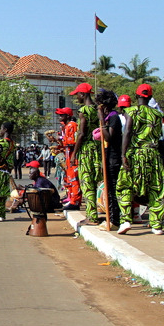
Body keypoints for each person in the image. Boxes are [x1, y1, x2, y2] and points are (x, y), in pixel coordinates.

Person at [117, 84, 164, 235]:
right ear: (150, 97)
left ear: (137, 96)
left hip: (135, 154)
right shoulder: (157, 115)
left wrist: (123, 155)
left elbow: (128, 132)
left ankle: (126, 220)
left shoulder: (131, 111)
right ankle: (156, 224)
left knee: (124, 186)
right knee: (156, 188)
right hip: (153, 154)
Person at [71, 82, 102, 224]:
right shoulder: (98, 109)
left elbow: (82, 133)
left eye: (78, 94)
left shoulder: (84, 110)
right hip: (98, 148)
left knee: (87, 182)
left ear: (83, 94)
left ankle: (91, 215)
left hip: (86, 150)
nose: (77, 97)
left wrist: (74, 153)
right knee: (98, 181)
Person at [96, 90, 123, 229]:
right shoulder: (108, 118)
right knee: (109, 189)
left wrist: (101, 120)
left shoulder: (113, 118)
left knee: (113, 189)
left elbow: (109, 137)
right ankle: (112, 217)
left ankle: (114, 220)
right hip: (108, 156)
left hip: (114, 157)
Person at [56, 106, 81, 210]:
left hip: (72, 155)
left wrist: (63, 141)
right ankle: (71, 198)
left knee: (74, 178)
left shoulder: (72, 125)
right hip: (68, 155)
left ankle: (75, 201)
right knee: (70, 178)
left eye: (62, 115)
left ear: (67, 116)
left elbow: (72, 142)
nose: (60, 117)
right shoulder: (67, 126)